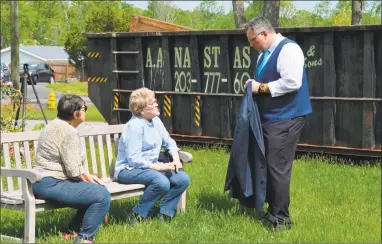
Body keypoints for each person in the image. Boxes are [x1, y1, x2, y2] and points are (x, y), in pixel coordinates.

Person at [244, 17, 312, 230]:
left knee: (278, 167)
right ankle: (272, 211)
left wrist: (259, 88)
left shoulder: (288, 50)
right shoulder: (265, 54)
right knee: (270, 166)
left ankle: (281, 219)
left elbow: (292, 82)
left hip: (286, 117)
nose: (251, 45)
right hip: (272, 118)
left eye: (253, 40)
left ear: (264, 33)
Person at [32, 94, 110, 243]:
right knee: (102, 195)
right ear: (76, 114)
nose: (85, 111)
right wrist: (89, 179)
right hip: (52, 183)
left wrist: (87, 177)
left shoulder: (53, 124)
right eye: (84, 108)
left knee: (92, 189)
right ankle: (84, 239)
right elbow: (74, 171)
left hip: (39, 182)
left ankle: (71, 230)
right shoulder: (69, 133)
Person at [114, 87, 190, 223]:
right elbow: (134, 159)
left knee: (182, 178)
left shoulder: (156, 121)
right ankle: (137, 215)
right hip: (128, 170)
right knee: (161, 182)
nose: (156, 104)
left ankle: (165, 213)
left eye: (155, 101)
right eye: (152, 103)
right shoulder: (134, 126)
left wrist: (176, 160)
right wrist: (159, 168)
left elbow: (169, 142)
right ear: (141, 110)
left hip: (149, 168)